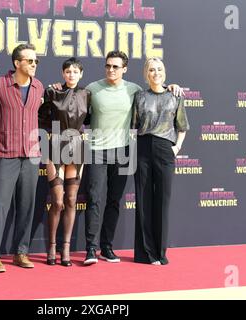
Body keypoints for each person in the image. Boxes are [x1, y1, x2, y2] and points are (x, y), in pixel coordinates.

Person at [81, 51, 184, 265]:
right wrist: (56, 89)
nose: (111, 70)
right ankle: (91, 249)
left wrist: (172, 86)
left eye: (116, 66)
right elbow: (73, 100)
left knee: (114, 201)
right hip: (97, 151)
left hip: (123, 151)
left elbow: (160, 93)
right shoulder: (92, 88)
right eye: (108, 66)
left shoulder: (134, 91)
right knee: (94, 199)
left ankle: (107, 248)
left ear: (124, 69)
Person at [0, 44, 44, 272]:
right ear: (16, 63)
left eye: (36, 61)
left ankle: (21, 252)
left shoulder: (39, 87)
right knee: (0, 207)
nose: (34, 65)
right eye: (29, 61)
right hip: (6, 154)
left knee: (27, 206)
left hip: (31, 157)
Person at [131, 57, 189, 265]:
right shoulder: (139, 96)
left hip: (166, 148)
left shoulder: (175, 95)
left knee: (162, 201)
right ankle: (145, 253)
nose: (156, 73)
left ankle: (160, 252)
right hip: (143, 147)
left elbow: (181, 126)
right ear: (146, 74)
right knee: (143, 200)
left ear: (164, 72)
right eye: (152, 70)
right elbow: (133, 125)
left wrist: (176, 148)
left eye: (159, 69)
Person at [38, 58, 91, 267]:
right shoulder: (52, 92)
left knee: (71, 200)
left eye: (75, 71)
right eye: (68, 71)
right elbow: (41, 119)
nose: (71, 74)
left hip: (78, 147)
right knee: (57, 202)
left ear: (81, 74)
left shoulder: (88, 95)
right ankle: (52, 246)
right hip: (55, 145)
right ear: (63, 74)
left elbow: (90, 120)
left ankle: (66, 248)